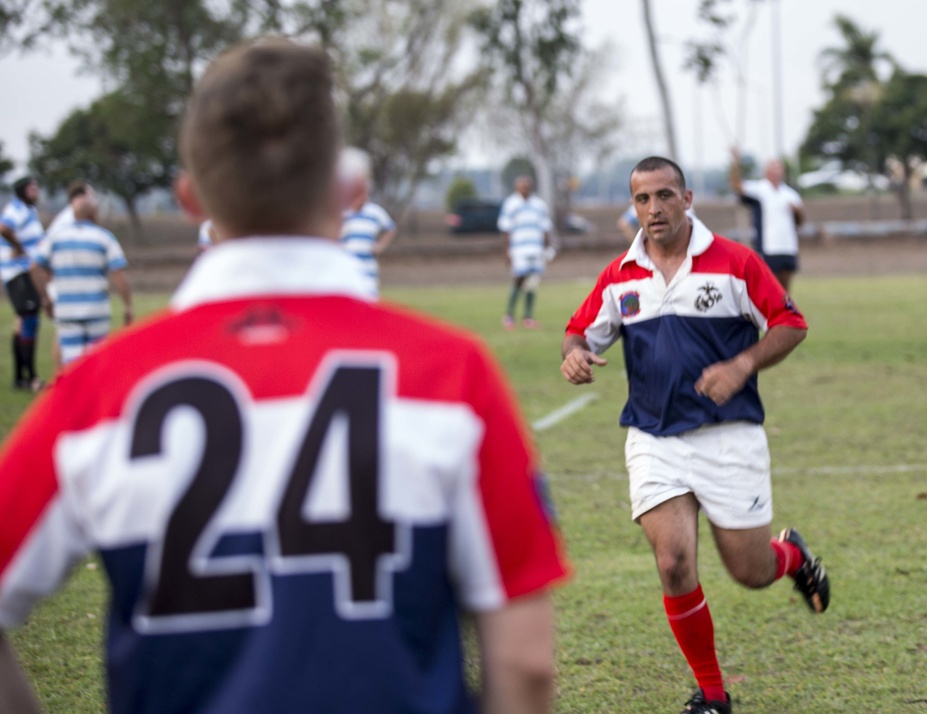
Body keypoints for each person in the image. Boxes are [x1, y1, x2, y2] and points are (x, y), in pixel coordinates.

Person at [0, 39, 569, 714]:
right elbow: (527, 663)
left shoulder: (97, 388)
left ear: (190, 200)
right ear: (349, 188)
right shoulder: (451, 372)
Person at [560, 156, 828, 714]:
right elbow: (578, 331)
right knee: (674, 563)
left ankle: (791, 557)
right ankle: (711, 696)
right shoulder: (620, 275)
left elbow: (790, 324)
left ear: (687, 199)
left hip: (728, 437)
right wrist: (576, 355)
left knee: (749, 572)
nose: (653, 209)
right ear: (632, 207)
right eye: (642, 200)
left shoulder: (734, 262)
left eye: (664, 196)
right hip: (654, 437)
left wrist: (742, 365)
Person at [31, 181, 133, 366]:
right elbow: (117, 272)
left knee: (72, 364)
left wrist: (46, 298)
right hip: (96, 308)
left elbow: (35, 266)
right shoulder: (104, 237)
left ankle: (71, 392)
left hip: (67, 308)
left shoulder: (56, 236)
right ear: (94, 215)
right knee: (97, 360)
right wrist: (127, 305)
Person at [729, 148, 805, 292]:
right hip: (769, 247)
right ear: (767, 171)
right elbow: (736, 186)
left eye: (780, 167)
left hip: (788, 247)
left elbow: (800, 222)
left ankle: (785, 315)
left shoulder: (790, 194)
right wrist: (736, 163)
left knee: (785, 292)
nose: (778, 171)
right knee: (770, 289)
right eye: (774, 167)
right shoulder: (760, 190)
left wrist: (797, 211)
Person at [0, 175, 46, 391]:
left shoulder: (29, 211)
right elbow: (4, 228)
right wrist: (17, 248)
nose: (36, 192)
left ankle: (20, 379)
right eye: (32, 189)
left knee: (23, 322)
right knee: (29, 319)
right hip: (17, 271)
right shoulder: (15, 209)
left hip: (26, 271)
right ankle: (32, 377)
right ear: (21, 192)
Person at [338, 147, 396, 296]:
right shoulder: (342, 212)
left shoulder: (374, 212)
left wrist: (380, 246)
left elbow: (390, 228)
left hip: (368, 269)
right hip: (345, 268)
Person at [498, 175, 552, 329]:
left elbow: (545, 228)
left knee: (532, 283)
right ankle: (509, 315)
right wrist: (506, 251)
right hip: (518, 249)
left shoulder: (539, 204)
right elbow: (505, 229)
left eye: (527, 186)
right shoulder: (511, 204)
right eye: (521, 186)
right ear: (517, 187)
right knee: (518, 279)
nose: (524, 189)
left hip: (535, 248)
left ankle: (528, 317)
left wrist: (547, 248)